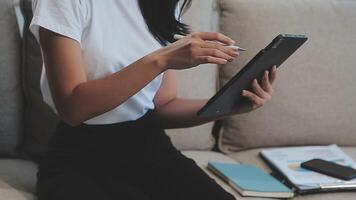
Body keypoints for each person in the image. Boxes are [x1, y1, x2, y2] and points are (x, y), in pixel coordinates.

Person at [30, 0, 277, 199]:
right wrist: (161, 59)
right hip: (80, 160)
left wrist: (228, 105)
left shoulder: (164, 4)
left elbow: (163, 106)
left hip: (151, 150)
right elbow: (72, 107)